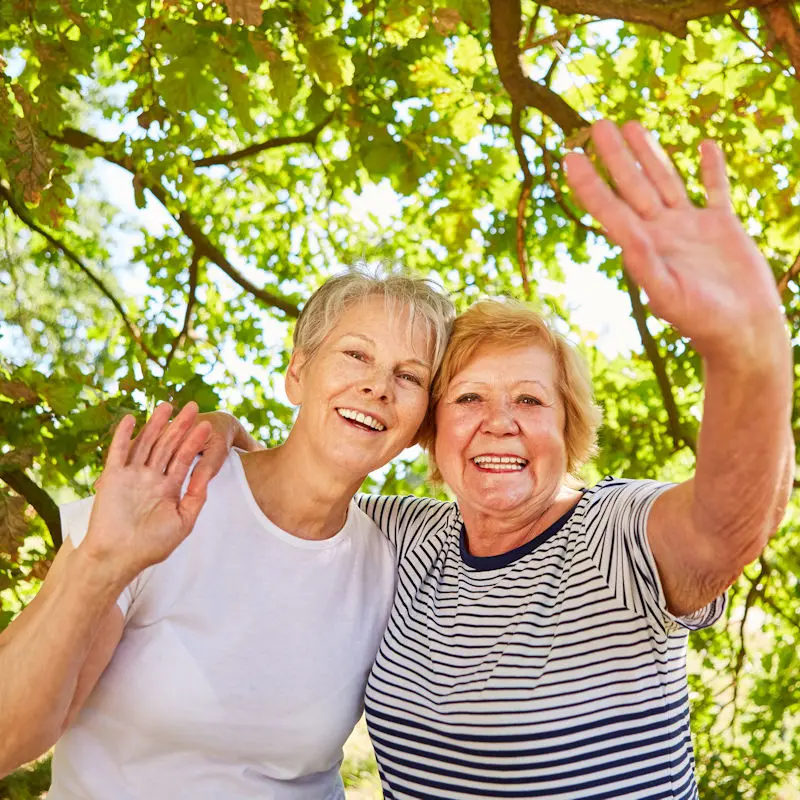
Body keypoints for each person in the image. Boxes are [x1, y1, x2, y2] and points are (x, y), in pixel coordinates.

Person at [205, 121, 794, 798]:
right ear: (431, 427)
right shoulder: (406, 537)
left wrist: (748, 353)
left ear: (569, 426)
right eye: (469, 398)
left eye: (531, 401)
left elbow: (729, 523)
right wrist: (224, 437)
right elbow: (298, 488)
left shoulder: (614, 536)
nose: (500, 423)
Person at [0, 270, 455, 799]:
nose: (378, 386)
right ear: (297, 373)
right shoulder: (167, 495)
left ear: (422, 422)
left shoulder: (397, 558)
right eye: (356, 354)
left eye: (410, 376)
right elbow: (10, 737)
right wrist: (102, 563)